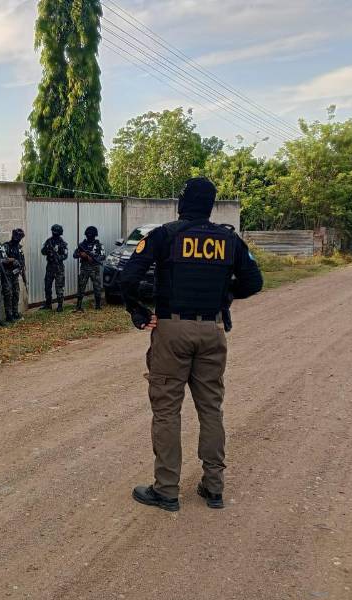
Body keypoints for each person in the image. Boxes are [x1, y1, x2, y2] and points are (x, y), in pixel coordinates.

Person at [120, 177, 263, 512]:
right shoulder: (229, 239)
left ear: (182, 203)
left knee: (167, 410)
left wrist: (139, 312)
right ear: (211, 205)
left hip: (172, 330)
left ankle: (166, 490)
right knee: (211, 408)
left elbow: (128, 278)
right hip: (212, 329)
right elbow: (254, 282)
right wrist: (224, 295)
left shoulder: (164, 235)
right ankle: (213, 487)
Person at [73, 226, 105, 312]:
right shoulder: (82, 245)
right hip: (84, 268)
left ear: (95, 235)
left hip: (95, 268)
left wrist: (94, 257)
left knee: (97, 287)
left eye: (91, 234)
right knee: (81, 287)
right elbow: (74, 255)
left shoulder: (99, 245)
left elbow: (103, 256)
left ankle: (98, 305)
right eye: (88, 234)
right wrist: (81, 254)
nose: (89, 236)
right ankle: (78, 306)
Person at [41, 224, 68, 311]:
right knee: (47, 286)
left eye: (55, 232)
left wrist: (58, 257)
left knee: (59, 287)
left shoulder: (63, 243)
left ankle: (60, 305)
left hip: (59, 267)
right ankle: (48, 304)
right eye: (53, 232)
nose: (54, 233)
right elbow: (43, 251)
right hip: (50, 266)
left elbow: (65, 255)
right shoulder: (49, 241)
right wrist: (48, 250)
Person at [3, 228, 26, 322]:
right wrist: (12, 260)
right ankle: (9, 315)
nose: (18, 239)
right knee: (8, 295)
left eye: (20, 237)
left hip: (15, 275)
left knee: (16, 294)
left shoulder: (19, 248)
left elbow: (22, 261)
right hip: (7, 275)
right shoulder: (6, 246)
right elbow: (2, 259)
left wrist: (22, 269)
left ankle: (15, 312)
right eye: (18, 237)